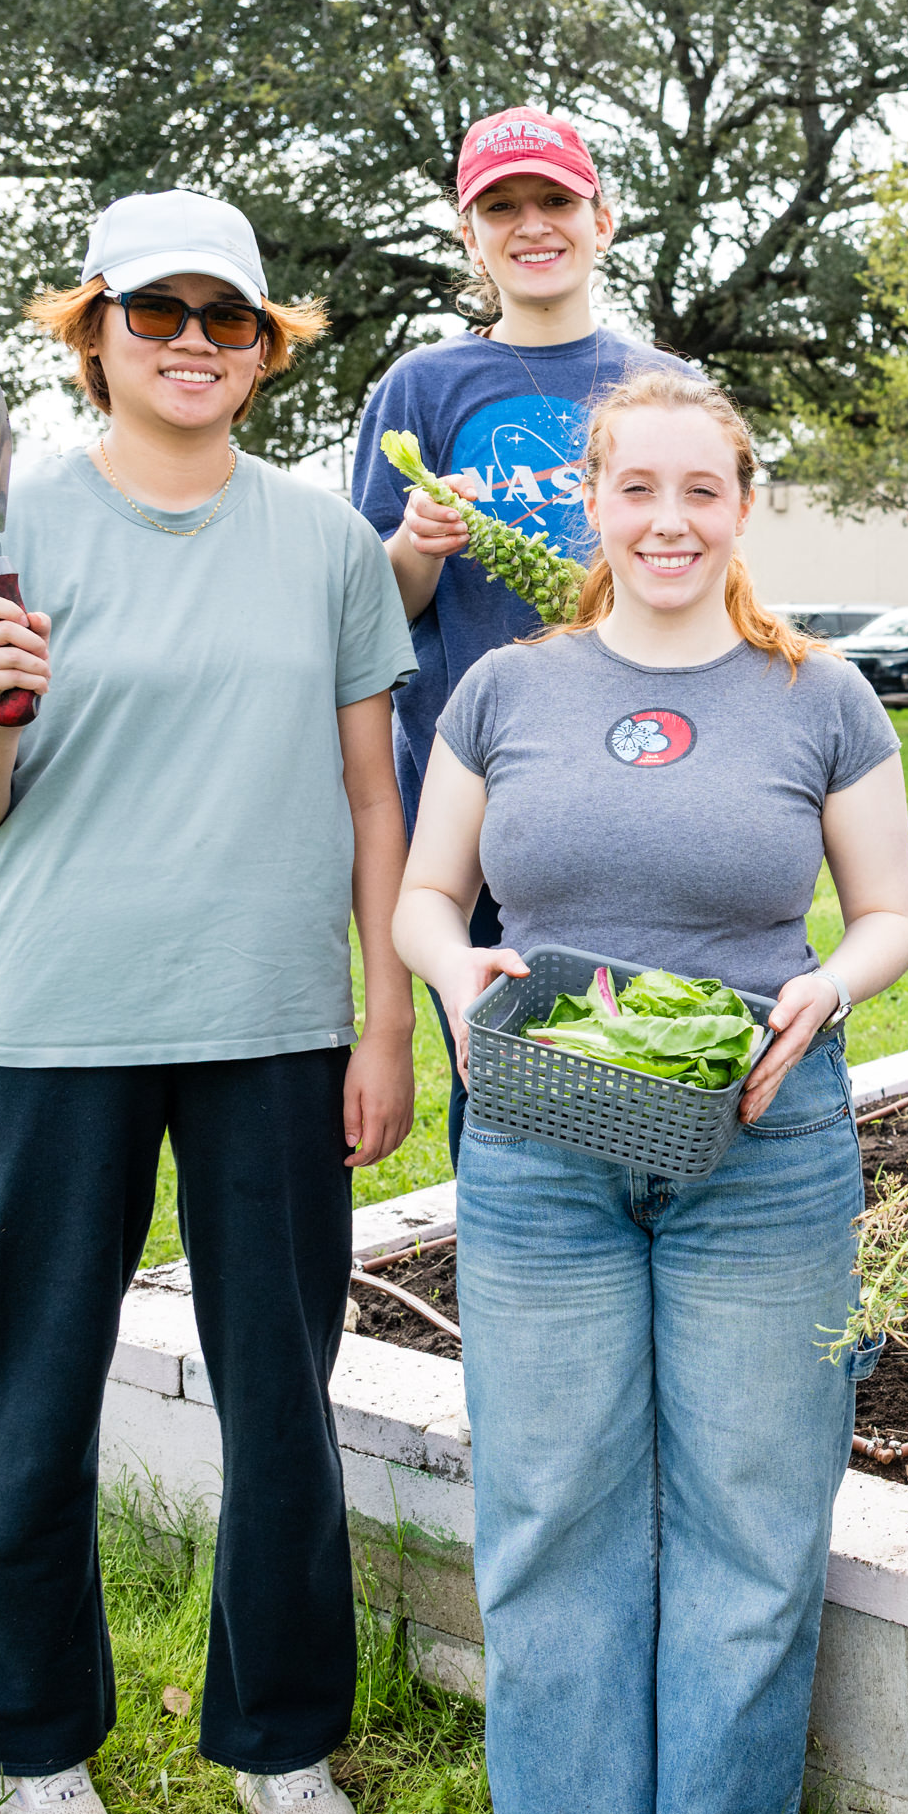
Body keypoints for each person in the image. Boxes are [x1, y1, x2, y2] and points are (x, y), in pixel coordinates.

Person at [0, 189, 416, 1814]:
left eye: (229, 318)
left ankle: (283, 1737)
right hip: (54, 1024)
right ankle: (30, 1743)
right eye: (156, 311)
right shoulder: (3, 533)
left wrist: (385, 1011)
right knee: (31, 1391)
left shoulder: (326, 540)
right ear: (95, 331)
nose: (193, 341)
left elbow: (367, 787)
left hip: (272, 1023)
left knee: (285, 1395)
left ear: (267, 350)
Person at [392, 372, 908, 1814]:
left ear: (743, 506)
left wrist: (838, 984)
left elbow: (888, 913)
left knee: (754, 1523)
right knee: (553, 1515)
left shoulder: (821, 695)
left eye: (704, 491)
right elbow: (427, 890)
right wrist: (459, 971)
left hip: (760, 1146)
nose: (671, 521)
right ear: (595, 503)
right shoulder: (508, 688)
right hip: (544, 1149)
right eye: (640, 491)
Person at [347, 103, 696, 1157]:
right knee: (503, 1049)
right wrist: (416, 542)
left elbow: (718, 584)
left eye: (556, 199)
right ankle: (513, 1263)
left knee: (652, 1033)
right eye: (502, 206)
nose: (531, 224)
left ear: (602, 219)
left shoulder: (666, 384)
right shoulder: (424, 385)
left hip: (648, 768)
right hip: (480, 791)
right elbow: (370, 619)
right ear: (469, 234)